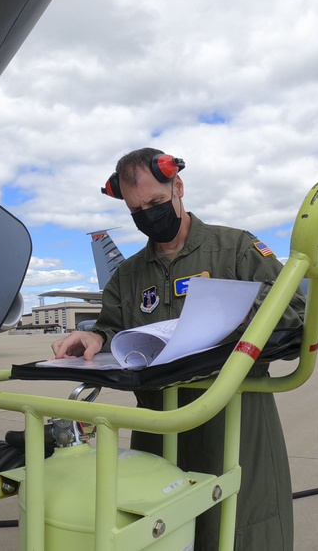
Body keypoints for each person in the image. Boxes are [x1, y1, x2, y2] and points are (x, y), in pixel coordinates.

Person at [51, 147, 304, 551]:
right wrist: (94, 337)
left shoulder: (236, 249)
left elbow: (294, 308)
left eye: (156, 203)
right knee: (163, 530)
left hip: (232, 424)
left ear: (178, 186)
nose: (148, 215)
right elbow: (111, 328)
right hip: (158, 426)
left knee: (240, 528)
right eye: (137, 211)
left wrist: (241, 314)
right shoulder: (128, 275)